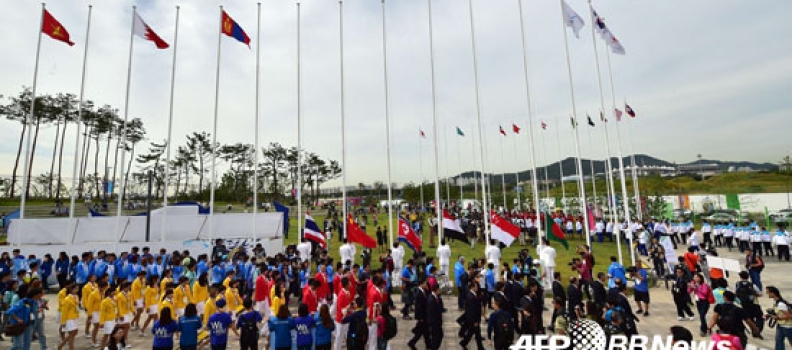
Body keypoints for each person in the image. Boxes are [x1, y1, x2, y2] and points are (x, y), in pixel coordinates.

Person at [460, 274, 485, 350]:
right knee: (472, 333)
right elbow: (472, 310)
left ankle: (479, 347)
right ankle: (464, 343)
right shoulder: (471, 297)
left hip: (475, 319)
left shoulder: (472, 295)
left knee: (476, 333)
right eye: (476, 287)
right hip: (474, 319)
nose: (477, 288)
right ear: (472, 287)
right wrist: (475, 321)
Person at [407, 279, 429, 350]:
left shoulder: (423, 291)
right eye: (425, 283)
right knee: (421, 331)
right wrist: (420, 317)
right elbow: (418, 307)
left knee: (425, 331)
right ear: (421, 284)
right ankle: (412, 342)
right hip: (422, 316)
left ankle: (428, 344)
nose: (426, 285)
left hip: (424, 315)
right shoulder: (419, 293)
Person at [58, 284, 80, 350]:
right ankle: (71, 348)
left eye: (77, 289)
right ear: (71, 289)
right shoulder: (67, 299)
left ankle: (61, 345)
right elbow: (64, 311)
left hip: (75, 317)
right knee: (72, 334)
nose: (76, 290)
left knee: (74, 332)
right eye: (75, 289)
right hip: (69, 318)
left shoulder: (76, 297)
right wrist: (63, 322)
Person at [426, 283, 444, 350]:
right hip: (434, 322)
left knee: (439, 336)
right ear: (436, 290)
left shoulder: (437, 297)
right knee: (436, 337)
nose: (440, 291)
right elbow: (431, 312)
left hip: (438, 322)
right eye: (439, 290)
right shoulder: (431, 299)